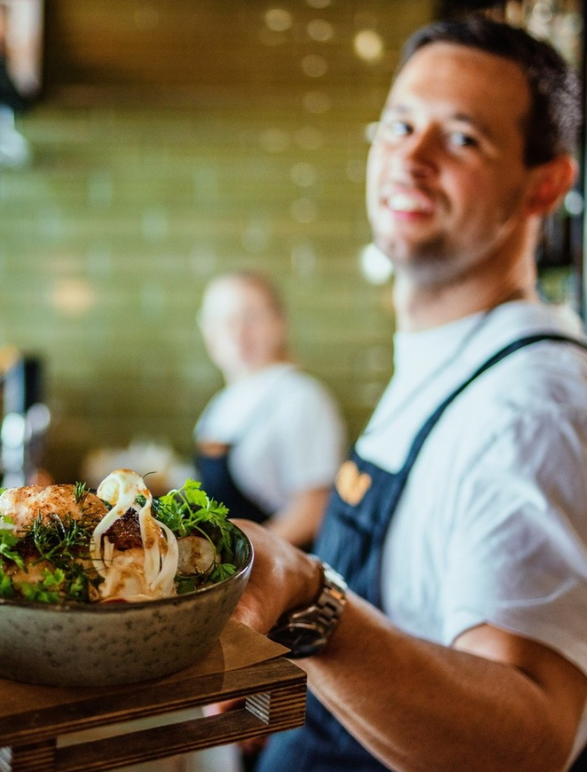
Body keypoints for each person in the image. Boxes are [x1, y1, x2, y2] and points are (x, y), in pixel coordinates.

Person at [228, 16, 587, 772]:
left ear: (544, 184)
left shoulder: (529, 404)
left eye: (460, 138)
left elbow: (529, 742)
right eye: (398, 125)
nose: (409, 158)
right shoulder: (451, 359)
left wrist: (308, 607)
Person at [195, 271, 346, 548]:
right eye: (223, 319)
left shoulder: (301, 397)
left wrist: (241, 559)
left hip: (279, 575)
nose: (237, 331)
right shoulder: (221, 402)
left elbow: (314, 510)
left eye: (251, 317)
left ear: (279, 324)